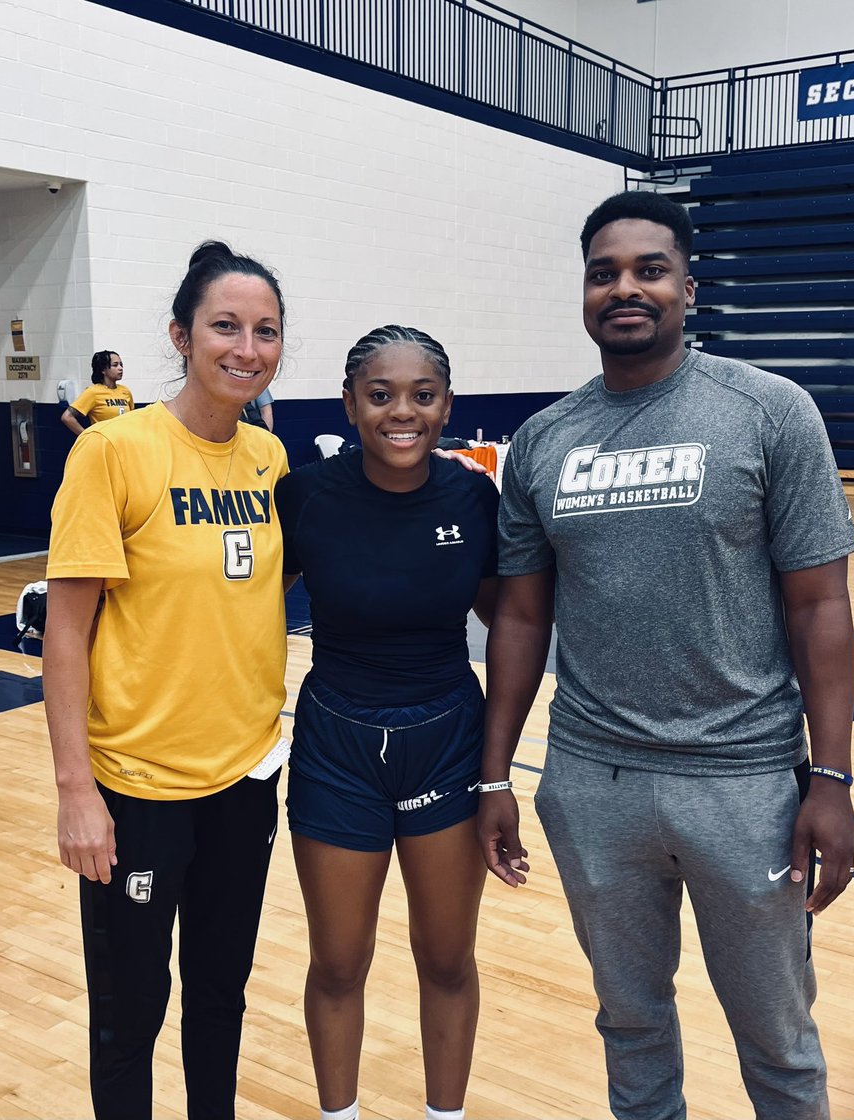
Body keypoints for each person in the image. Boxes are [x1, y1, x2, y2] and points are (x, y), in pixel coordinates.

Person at [478, 190, 854, 1120]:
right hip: (591, 783)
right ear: (584, 292)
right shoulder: (544, 441)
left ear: (689, 287)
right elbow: (523, 622)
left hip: (744, 784)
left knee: (777, 1039)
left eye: (649, 269)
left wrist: (835, 780)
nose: (625, 288)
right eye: (603, 272)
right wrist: (495, 778)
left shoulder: (770, 412)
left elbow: (820, 605)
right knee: (632, 1025)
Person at [43, 241, 289, 1120]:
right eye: (225, 327)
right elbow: (65, 635)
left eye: (265, 331)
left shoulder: (269, 462)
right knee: (129, 1017)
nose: (246, 348)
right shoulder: (114, 451)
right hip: (137, 790)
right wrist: (77, 790)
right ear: (181, 335)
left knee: (220, 999)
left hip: (246, 779)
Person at [275, 325, 499, 1120]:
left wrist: (499, 774)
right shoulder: (305, 495)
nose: (401, 412)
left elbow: (513, 629)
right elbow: (240, 610)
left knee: (445, 960)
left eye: (422, 395)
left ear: (447, 405)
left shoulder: (475, 498)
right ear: (349, 403)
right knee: (337, 964)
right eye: (380, 395)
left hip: (445, 742)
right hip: (336, 745)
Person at [62, 349, 135, 435]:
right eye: (115, 365)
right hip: (104, 442)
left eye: (121, 365)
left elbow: (132, 419)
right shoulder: (93, 392)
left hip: (123, 441)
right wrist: (86, 436)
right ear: (103, 370)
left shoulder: (125, 391)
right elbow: (67, 417)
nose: (120, 368)